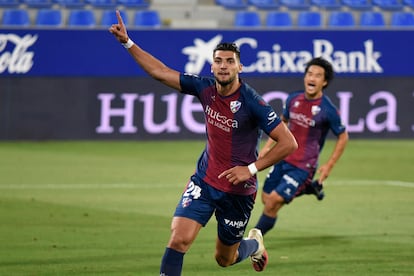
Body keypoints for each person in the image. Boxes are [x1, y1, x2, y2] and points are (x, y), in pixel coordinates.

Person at [109, 10, 297, 276]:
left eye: (230, 61)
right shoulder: (204, 87)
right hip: (205, 182)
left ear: (239, 67)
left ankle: (254, 244)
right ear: (212, 66)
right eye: (218, 61)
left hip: (238, 191)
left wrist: (251, 169)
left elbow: (288, 143)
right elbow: (160, 72)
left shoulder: (252, 102)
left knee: (224, 259)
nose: (223, 66)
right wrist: (127, 43)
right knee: (179, 239)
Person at [254, 57, 348, 236]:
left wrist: (328, 166)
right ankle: (307, 188)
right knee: (266, 199)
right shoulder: (293, 99)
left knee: (273, 201)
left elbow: (343, 137)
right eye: (309, 74)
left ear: (324, 82)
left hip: (304, 166)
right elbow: (282, 123)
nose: (312, 78)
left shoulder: (328, 109)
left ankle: (253, 238)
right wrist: (267, 149)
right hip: (282, 159)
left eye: (318, 76)